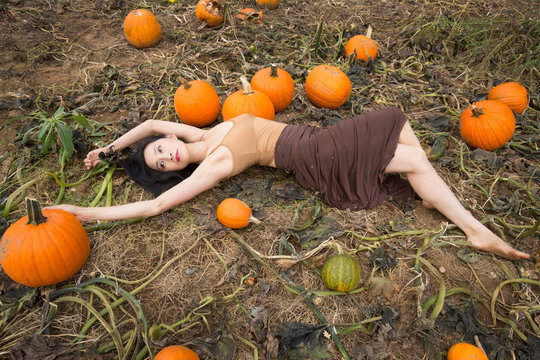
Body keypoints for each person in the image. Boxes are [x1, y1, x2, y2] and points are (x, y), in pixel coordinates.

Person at [48, 107, 530, 261]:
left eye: (160, 147)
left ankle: (444, 206)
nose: (167, 155)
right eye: (163, 163)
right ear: (173, 172)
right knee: (409, 149)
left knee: (408, 147)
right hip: (317, 155)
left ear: (169, 137)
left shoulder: (202, 132)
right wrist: (82, 214)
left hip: (318, 141)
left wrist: (111, 149)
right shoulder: (213, 162)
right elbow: (155, 209)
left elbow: (150, 120)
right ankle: (472, 228)